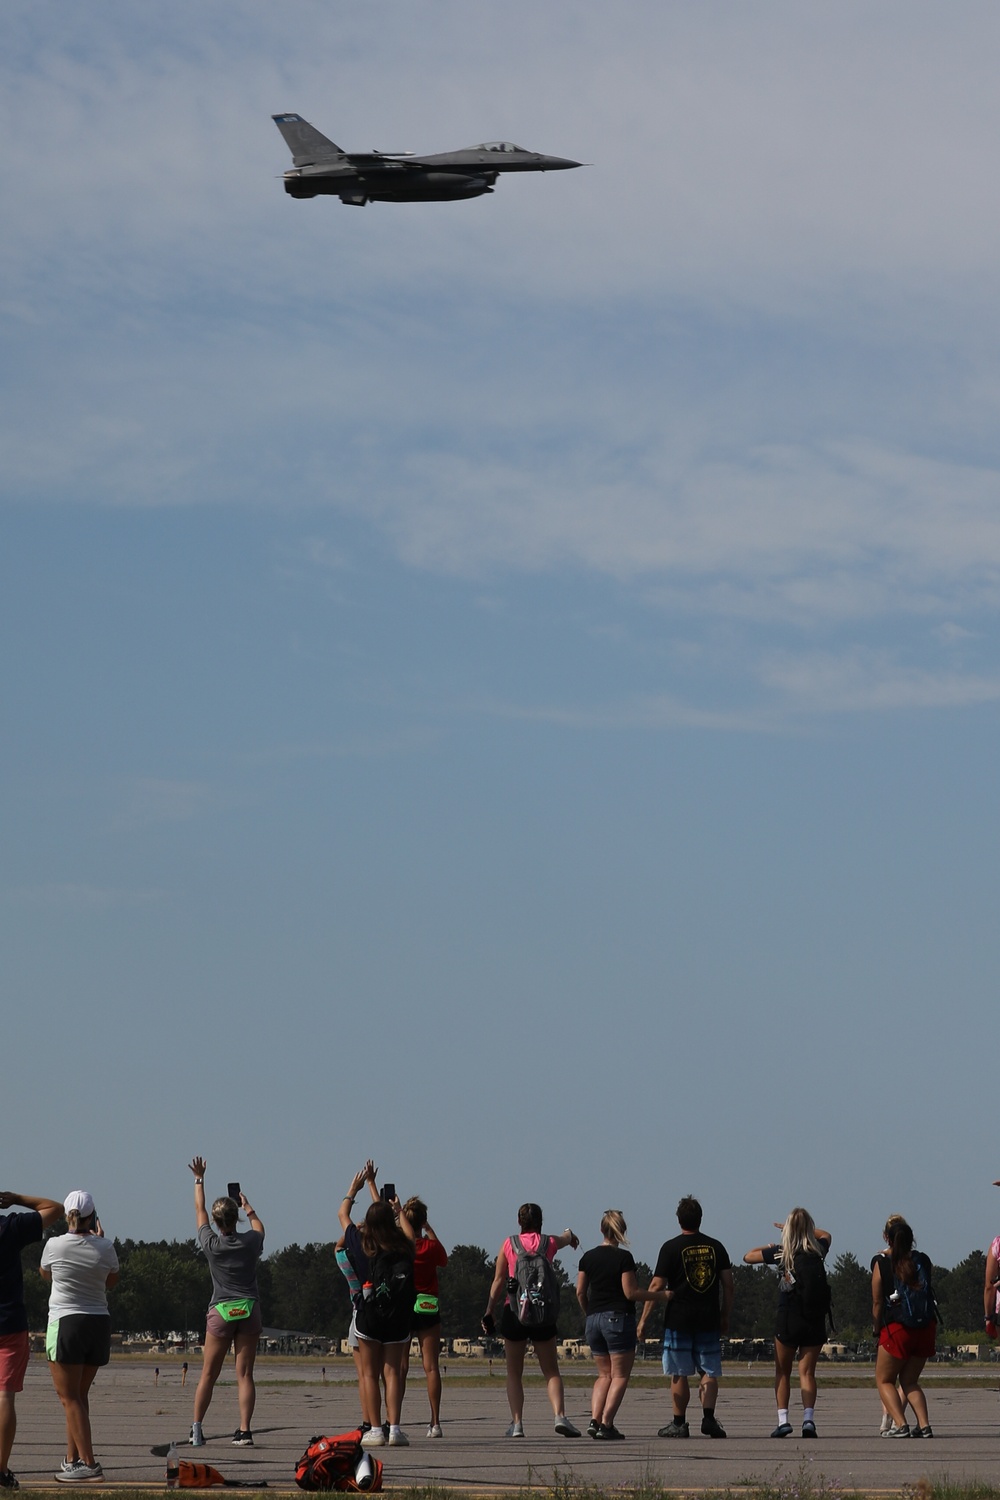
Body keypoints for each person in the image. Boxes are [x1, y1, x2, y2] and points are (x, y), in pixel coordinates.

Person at [481, 1203, 581, 1439]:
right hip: (543, 1313)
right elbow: (566, 1238)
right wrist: (571, 1236)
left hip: (514, 1311)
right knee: (551, 1371)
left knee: (514, 1372)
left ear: (519, 1222)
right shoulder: (548, 1243)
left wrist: (489, 1310)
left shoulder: (509, 1244)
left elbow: (498, 1280)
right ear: (540, 1222)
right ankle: (559, 1415)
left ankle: (517, 1423)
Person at [39, 1191, 120, 1483]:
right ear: (92, 1216)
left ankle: (90, 1464)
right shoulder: (106, 1247)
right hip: (98, 1322)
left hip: (66, 1322)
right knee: (78, 1396)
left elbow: (45, 1274)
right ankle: (72, 1459)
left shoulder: (54, 1245)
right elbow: (111, 1280)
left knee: (68, 1397)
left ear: (66, 1216)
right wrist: (99, 1241)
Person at [637, 1195, 733, 1440]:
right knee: (709, 1370)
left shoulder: (670, 1248)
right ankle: (709, 1419)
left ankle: (679, 1423)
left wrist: (644, 1320)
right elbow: (728, 1285)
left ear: (679, 1219)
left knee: (679, 1372)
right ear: (700, 1219)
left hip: (679, 1319)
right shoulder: (716, 1247)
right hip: (708, 1318)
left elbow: (657, 1284)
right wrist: (725, 1315)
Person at [187, 1158, 264, 1449]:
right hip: (249, 1309)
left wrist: (199, 1179)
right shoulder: (251, 1242)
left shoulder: (211, 1244)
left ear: (217, 1223)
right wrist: (247, 1205)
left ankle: (197, 1429)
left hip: (220, 1309)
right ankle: (245, 1431)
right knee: (244, 1373)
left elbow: (199, 1210)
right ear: (236, 1218)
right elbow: (259, 1227)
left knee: (209, 1373)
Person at [338, 1163, 415, 1449]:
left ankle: (375, 1429)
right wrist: (398, 1209)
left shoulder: (360, 1242)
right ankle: (394, 1428)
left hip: (369, 1317)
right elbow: (409, 1232)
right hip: (398, 1317)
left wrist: (354, 1189)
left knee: (369, 1373)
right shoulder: (404, 1245)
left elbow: (342, 1214)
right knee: (392, 1372)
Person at [575, 1209, 670, 1440]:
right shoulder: (623, 1258)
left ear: (601, 1230)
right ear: (622, 1230)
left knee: (603, 1375)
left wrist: (590, 1312)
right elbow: (630, 1292)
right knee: (619, 1376)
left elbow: (579, 1291)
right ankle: (606, 1424)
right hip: (617, 1318)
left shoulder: (587, 1257)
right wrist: (662, 1296)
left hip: (593, 1320)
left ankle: (594, 1419)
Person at [743, 1209, 832, 1438]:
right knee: (807, 1373)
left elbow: (748, 1256)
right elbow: (827, 1234)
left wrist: (782, 1235)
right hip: (814, 1319)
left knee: (782, 1371)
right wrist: (804, 1229)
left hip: (789, 1318)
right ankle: (808, 1421)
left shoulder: (782, 1253)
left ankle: (783, 1421)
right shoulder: (818, 1250)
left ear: (789, 1228)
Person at [0, 1188, 63, 1489]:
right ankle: (0, 1469)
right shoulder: (9, 1227)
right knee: (5, 1397)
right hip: (9, 1323)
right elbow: (56, 1208)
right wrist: (17, 1199)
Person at [871, 1214, 936, 1439]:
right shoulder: (923, 1260)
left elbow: (878, 1302)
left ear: (887, 1238)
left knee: (884, 1380)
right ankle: (925, 1425)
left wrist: (876, 1327)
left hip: (898, 1329)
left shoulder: (881, 1263)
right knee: (909, 1381)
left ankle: (900, 1424)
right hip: (926, 1328)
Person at [399, 1197, 447, 1438]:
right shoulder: (431, 1247)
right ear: (423, 1221)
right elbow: (444, 1259)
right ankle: (435, 1422)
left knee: (401, 1365)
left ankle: (393, 1421)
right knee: (431, 1367)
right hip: (428, 1305)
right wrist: (430, 1230)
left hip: (406, 1306)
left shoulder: (402, 1246)